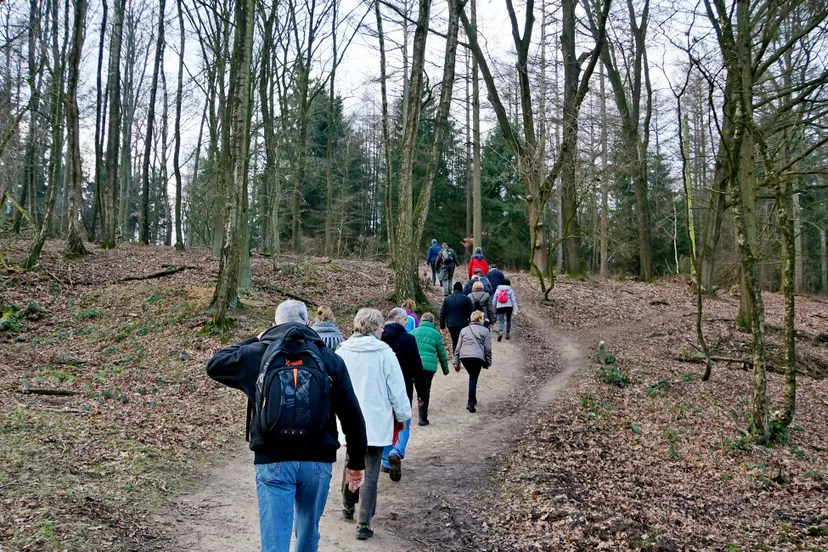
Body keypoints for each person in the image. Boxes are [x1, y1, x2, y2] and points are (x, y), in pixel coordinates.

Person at [206, 300, 367, 552]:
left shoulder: (259, 354)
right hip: (317, 461)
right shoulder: (329, 358)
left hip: (273, 460)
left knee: (275, 544)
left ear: (275, 324)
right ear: (309, 322)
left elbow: (215, 364)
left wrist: (258, 337)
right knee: (308, 534)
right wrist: (356, 464)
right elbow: (352, 415)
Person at [335, 308, 411, 541]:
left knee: (351, 460)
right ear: (374, 328)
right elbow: (397, 389)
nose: (381, 332)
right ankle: (364, 522)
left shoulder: (343, 351)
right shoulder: (384, 353)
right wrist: (403, 415)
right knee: (371, 471)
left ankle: (348, 506)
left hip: (349, 419)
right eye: (380, 328)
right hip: (376, 420)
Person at [380, 308, 427, 480]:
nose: (407, 322)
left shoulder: (378, 339)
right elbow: (417, 368)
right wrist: (422, 393)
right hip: (403, 389)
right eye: (406, 319)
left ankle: (386, 461)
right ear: (398, 319)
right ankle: (397, 451)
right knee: (403, 423)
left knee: (386, 425)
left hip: (381, 391)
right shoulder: (408, 339)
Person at [410, 312, 450, 425]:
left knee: (413, 388)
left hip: (414, 365)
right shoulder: (435, 334)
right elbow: (441, 352)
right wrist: (445, 369)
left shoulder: (413, 332)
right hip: (428, 367)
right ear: (432, 322)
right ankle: (422, 417)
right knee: (425, 389)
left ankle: (408, 411)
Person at [453, 311, 493, 413]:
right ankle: (470, 402)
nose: (484, 320)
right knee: (473, 378)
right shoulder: (485, 331)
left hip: (464, 357)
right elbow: (488, 349)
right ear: (479, 319)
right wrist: (488, 362)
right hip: (477, 357)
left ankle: (473, 399)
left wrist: (456, 361)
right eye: (483, 318)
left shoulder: (464, 330)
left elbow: (458, 347)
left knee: (472, 376)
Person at [439, 281, 473, 352]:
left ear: (453, 289)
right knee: (463, 340)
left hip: (451, 324)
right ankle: (462, 355)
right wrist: (471, 323)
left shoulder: (447, 299)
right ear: (461, 289)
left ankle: (456, 356)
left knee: (455, 341)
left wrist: (442, 326)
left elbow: (442, 314)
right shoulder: (466, 299)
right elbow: (471, 313)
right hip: (463, 324)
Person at [493, 278, 519, 342]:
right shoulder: (510, 290)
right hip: (509, 307)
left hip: (500, 307)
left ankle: (501, 331)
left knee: (501, 320)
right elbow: (513, 300)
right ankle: (507, 333)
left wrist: (494, 309)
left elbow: (494, 300)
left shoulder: (498, 290)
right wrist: (516, 309)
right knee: (508, 320)